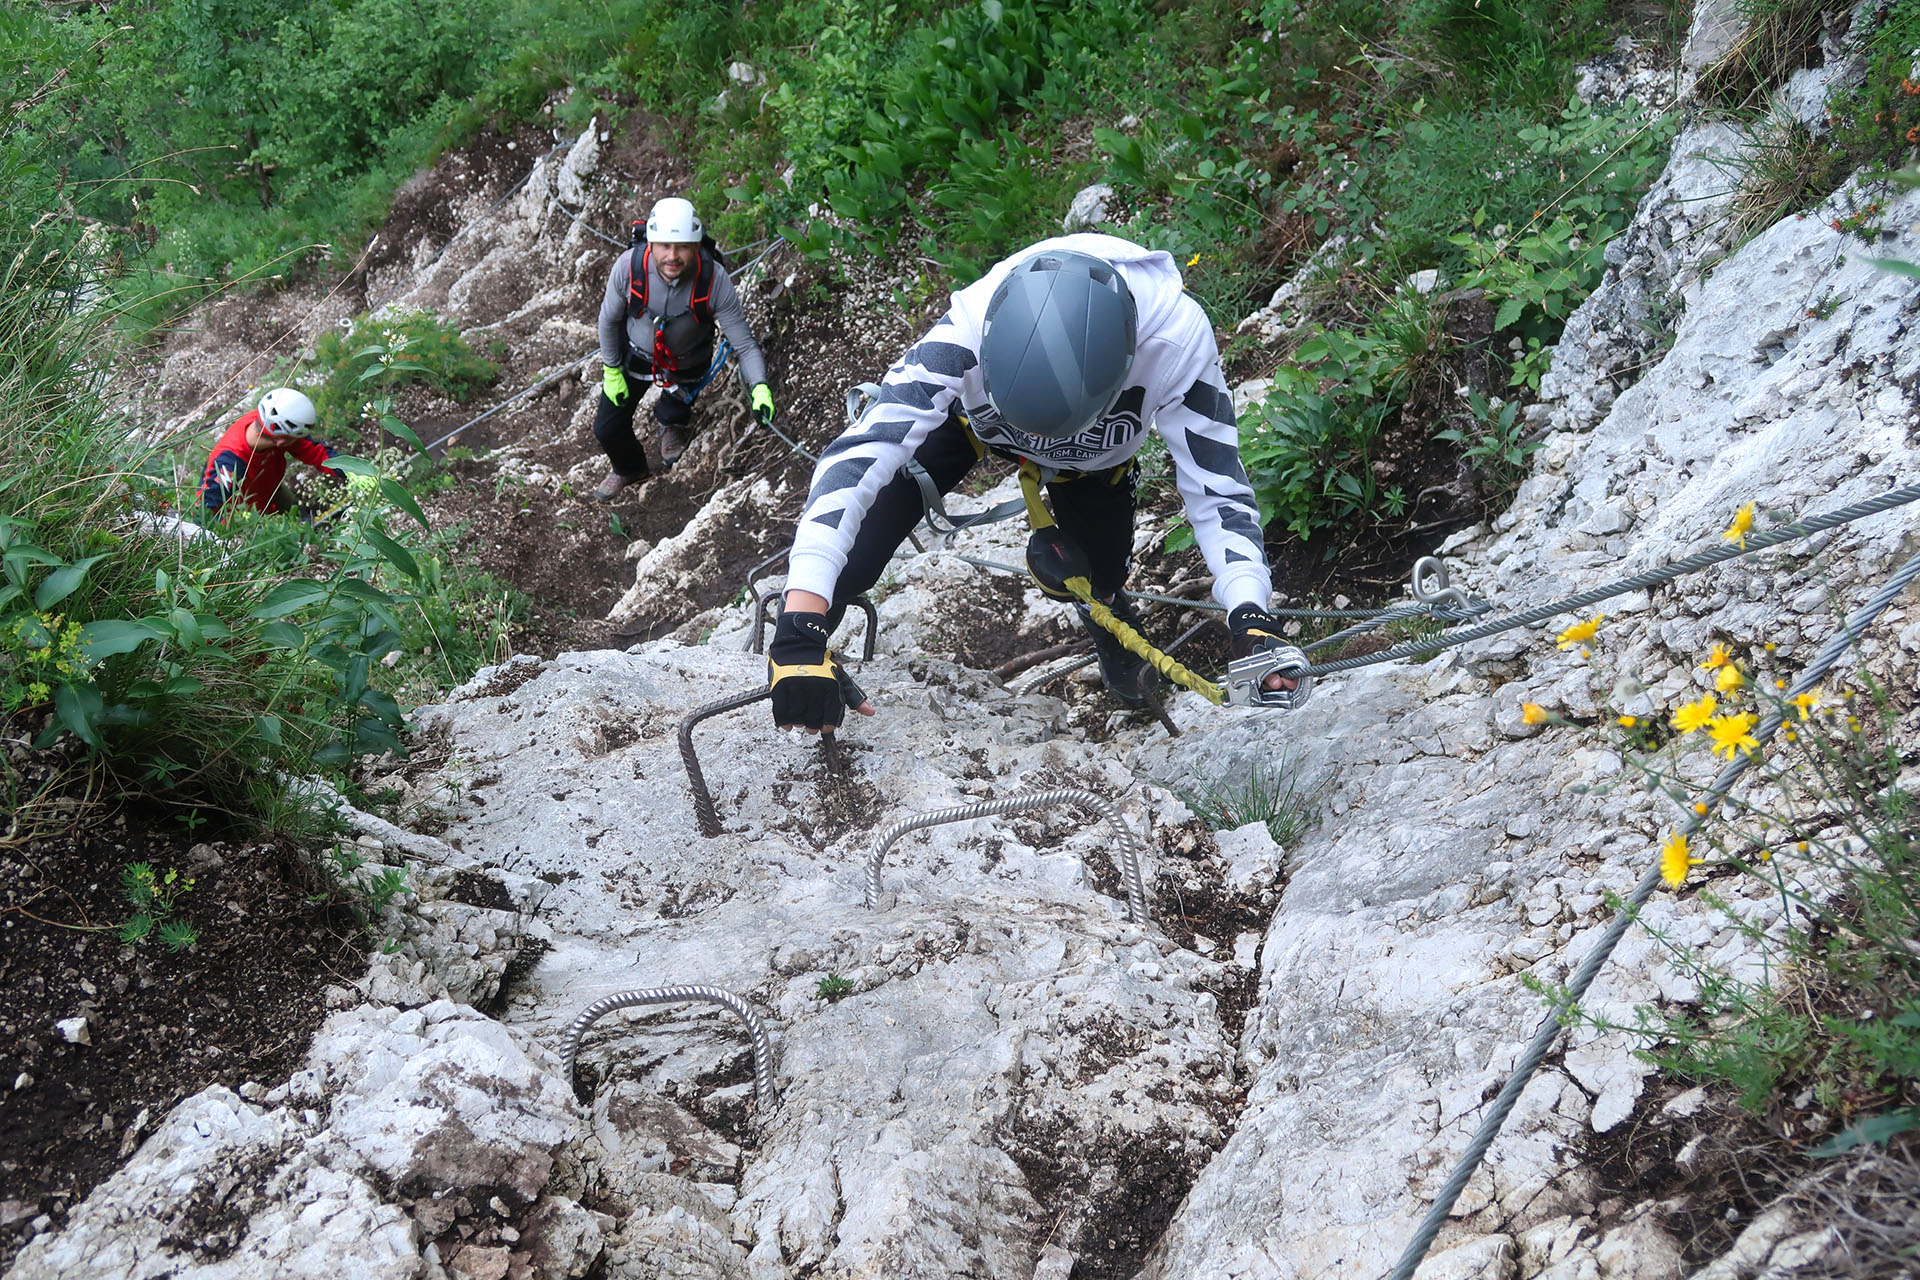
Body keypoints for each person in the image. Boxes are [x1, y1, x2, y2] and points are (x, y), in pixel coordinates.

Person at [765, 233, 1307, 732]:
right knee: (850, 561)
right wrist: (800, 627)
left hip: (1093, 461)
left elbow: (1216, 486)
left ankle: (1109, 617)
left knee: (1098, 572)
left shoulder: (1176, 338)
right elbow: (861, 453)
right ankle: (800, 654)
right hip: (973, 427)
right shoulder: (967, 328)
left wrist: (1250, 614)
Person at [592, 196, 776, 499]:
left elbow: (744, 343)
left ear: (696, 245)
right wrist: (611, 369)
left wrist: (759, 387)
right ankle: (630, 468)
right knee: (607, 428)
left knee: (678, 400)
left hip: (688, 359)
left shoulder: (713, 280)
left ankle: (671, 422)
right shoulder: (628, 269)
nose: (672, 256)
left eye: (683, 247)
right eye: (664, 245)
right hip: (635, 354)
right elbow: (608, 321)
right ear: (650, 243)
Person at [197, 387, 341, 518]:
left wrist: (351, 470)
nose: (300, 440)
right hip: (246, 516)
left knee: (299, 515)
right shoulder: (229, 463)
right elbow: (206, 508)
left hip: (271, 490)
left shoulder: (269, 422)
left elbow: (315, 452)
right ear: (281, 441)